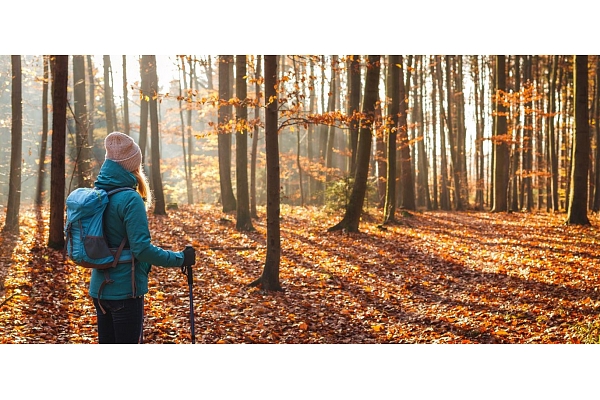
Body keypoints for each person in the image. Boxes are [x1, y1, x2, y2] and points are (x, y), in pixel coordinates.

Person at [89, 131, 196, 344]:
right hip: (125, 292)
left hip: (99, 290)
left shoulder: (97, 193)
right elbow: (142, 250)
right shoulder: (130, 199)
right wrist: (180, 259)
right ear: (132, 165)